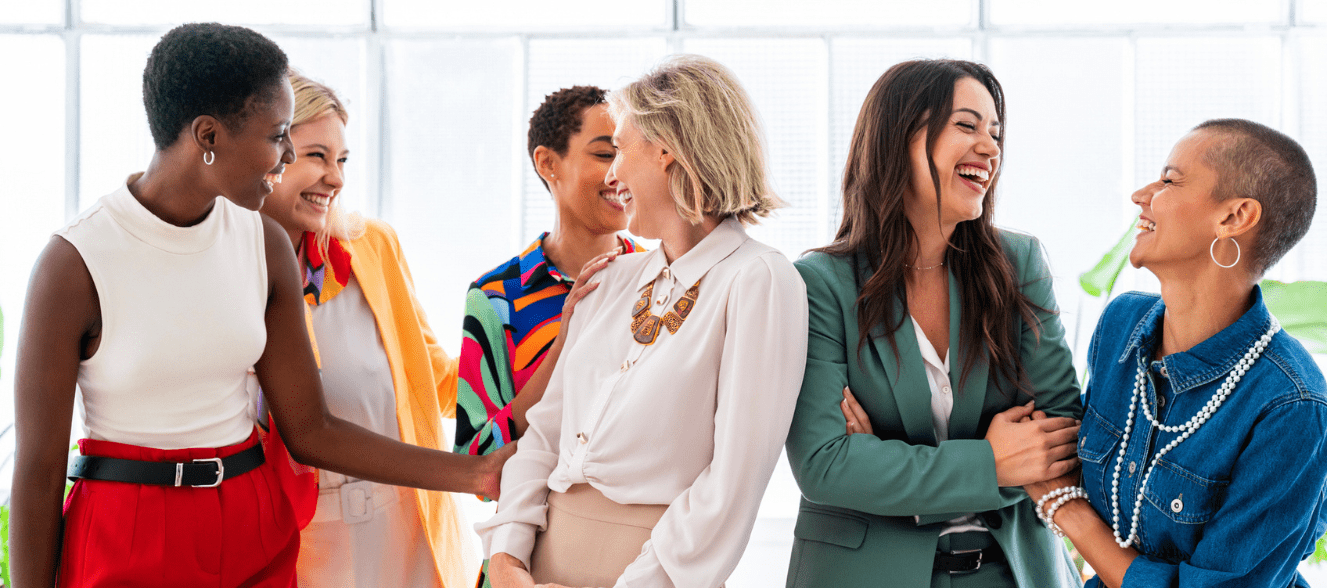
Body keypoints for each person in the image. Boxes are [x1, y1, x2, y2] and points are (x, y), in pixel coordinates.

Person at [11, 23, 507, 588]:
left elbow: (311, 428)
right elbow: (38, 470)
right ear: (208, 136)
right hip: (128, 528)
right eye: (278, 137)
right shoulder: (74, 263)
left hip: (251, 523)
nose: (288, 154)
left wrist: (475, 473)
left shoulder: (262, 244)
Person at [478, 54, 809, 588]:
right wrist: (508, 557)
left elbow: (732, 484)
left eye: (621, 150)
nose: (613, 175)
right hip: (533, 568)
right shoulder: (608, 279)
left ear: (667, 151)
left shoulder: (759, 281)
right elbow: (545, 434)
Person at [784, 59, 1083, 588]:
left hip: (1013, 571)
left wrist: (883, 464)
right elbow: (825, 464)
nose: (991, 148)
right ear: (897, 138)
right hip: (864, 574)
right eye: (967, 126)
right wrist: (991, 463)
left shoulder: (1019, 265)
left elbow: (1057, 439)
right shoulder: (819, 283)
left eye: (996, 133)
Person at [1024, 119, 1326, 588]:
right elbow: (1056, 447)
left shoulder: (1292, 406)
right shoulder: (1121, 326)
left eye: (1169, 180)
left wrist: (1069, 512)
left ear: (1234, 217)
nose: (1142, 195)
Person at [257, 69, 476, 588]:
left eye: (342, 160)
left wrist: (533, 341)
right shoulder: (225, 272)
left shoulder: (370, 248)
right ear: (262, 157)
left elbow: (438, 379)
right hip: (299, 541)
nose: (336, 178)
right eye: (316, 156)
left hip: (406, 525)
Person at [454, 85, 642, 460]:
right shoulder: (495, 298)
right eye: (605, 154)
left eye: (628, 155)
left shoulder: (662, 278)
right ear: (547, 163)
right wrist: (564, 347)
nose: (620, 172)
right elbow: (472, 459)